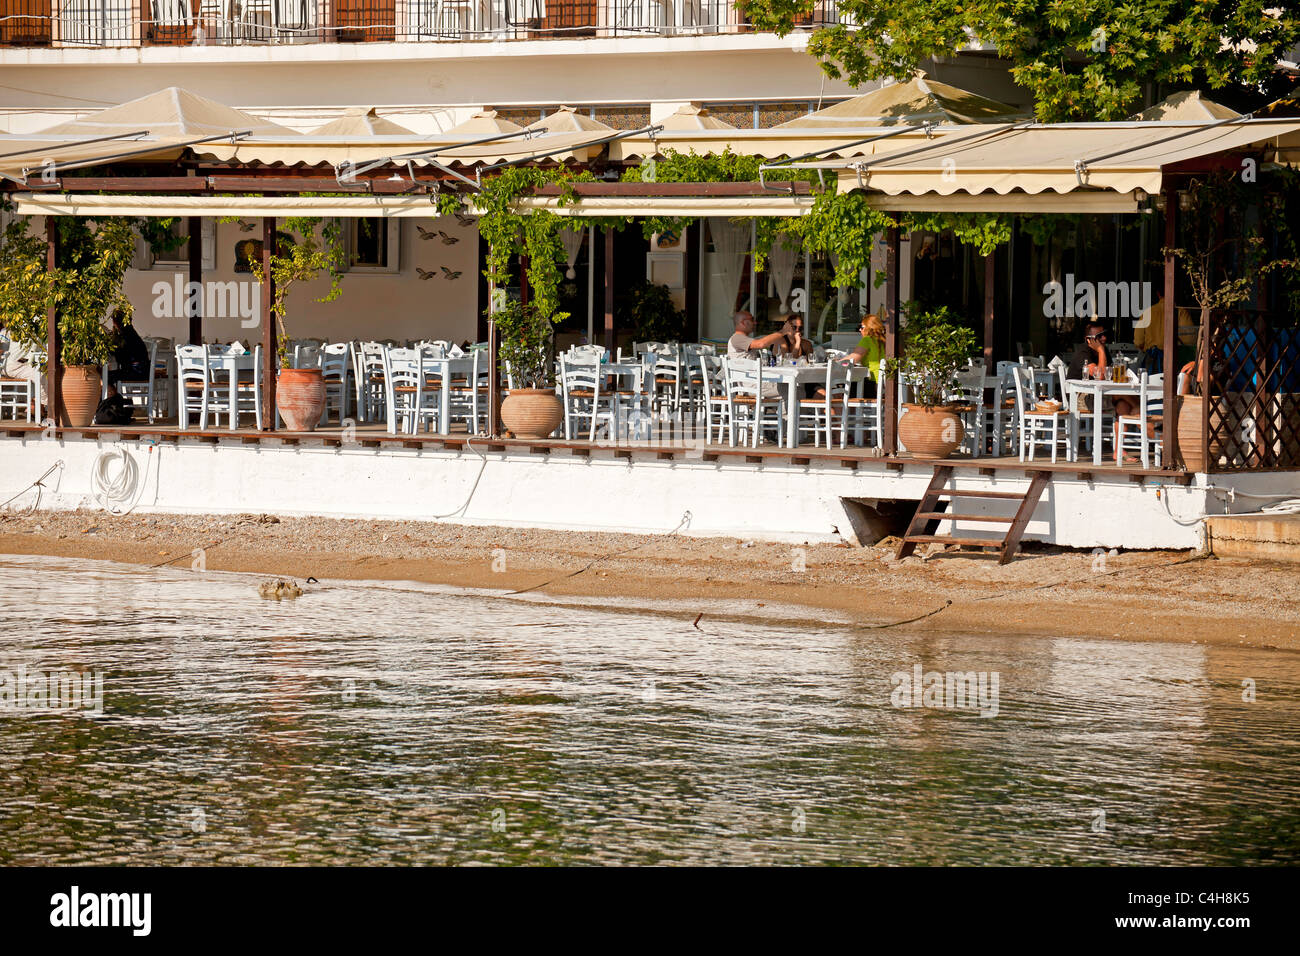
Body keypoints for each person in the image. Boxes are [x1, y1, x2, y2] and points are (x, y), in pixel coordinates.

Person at [105, 310, 149, 400]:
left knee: (104, 376)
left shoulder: (125, 336)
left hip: (136, 372)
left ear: (115, 322)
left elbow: (121, 357)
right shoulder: (131, 332)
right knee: (108, 375)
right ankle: (115, 398)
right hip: (142, 370)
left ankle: (114, 400)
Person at [845, 313, 886, 397]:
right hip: (887, 383)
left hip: (873, 383)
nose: (860, 330)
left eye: (862, 327)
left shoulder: (867, 340)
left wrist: (836, 361)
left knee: (846, 386)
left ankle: (847, 410)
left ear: (870, 328)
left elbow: (853, 359)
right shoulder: (885, 340)